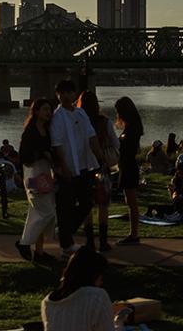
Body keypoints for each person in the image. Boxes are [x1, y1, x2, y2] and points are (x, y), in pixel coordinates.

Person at [50, 80, 106, 255]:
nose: (66, 96)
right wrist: (64, 168)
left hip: (84, 167)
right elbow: (57, 144)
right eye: (62, 93)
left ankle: (64, 232)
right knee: (65, 206)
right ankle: (66, 244)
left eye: (69, 92)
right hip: (67, 169)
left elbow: (91, 136)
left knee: (87, 202)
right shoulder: (57, 117)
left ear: (75, 94)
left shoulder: (81, 113)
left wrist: (100, 157)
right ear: (57, 95)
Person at [41, 247, 124, 331]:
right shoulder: (97, 297)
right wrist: (118, 323)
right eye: (101, 278)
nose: (101, 282)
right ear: (93, 275)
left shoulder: (48, 303)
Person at [17, 99, 57, 264]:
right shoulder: (30, 131)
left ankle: (39, 252)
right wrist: (42, 154)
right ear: (37, 111)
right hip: (33, 174)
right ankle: (24, 243)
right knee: (46, 212)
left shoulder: (47, 129)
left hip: (46, 173)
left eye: (50, 109)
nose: (48, 112)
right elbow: (24, 157)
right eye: (45, 109)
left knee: (37, 212)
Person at [77, 91, 115, 251]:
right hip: (101, 167)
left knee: (87, 205)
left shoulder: (77, 122)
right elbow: (115, 143)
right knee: (103, 205)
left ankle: (90, 241)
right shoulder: (104, 122)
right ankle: (104, 242)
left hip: (83, 168)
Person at [114, 96, 144, 246]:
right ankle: (133, 233)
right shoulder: (134, 127)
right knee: (130, 201)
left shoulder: (131, 129)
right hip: (128, 166)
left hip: (128, 166)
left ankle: (133, 234)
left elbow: (129, 148)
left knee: (131, 202)